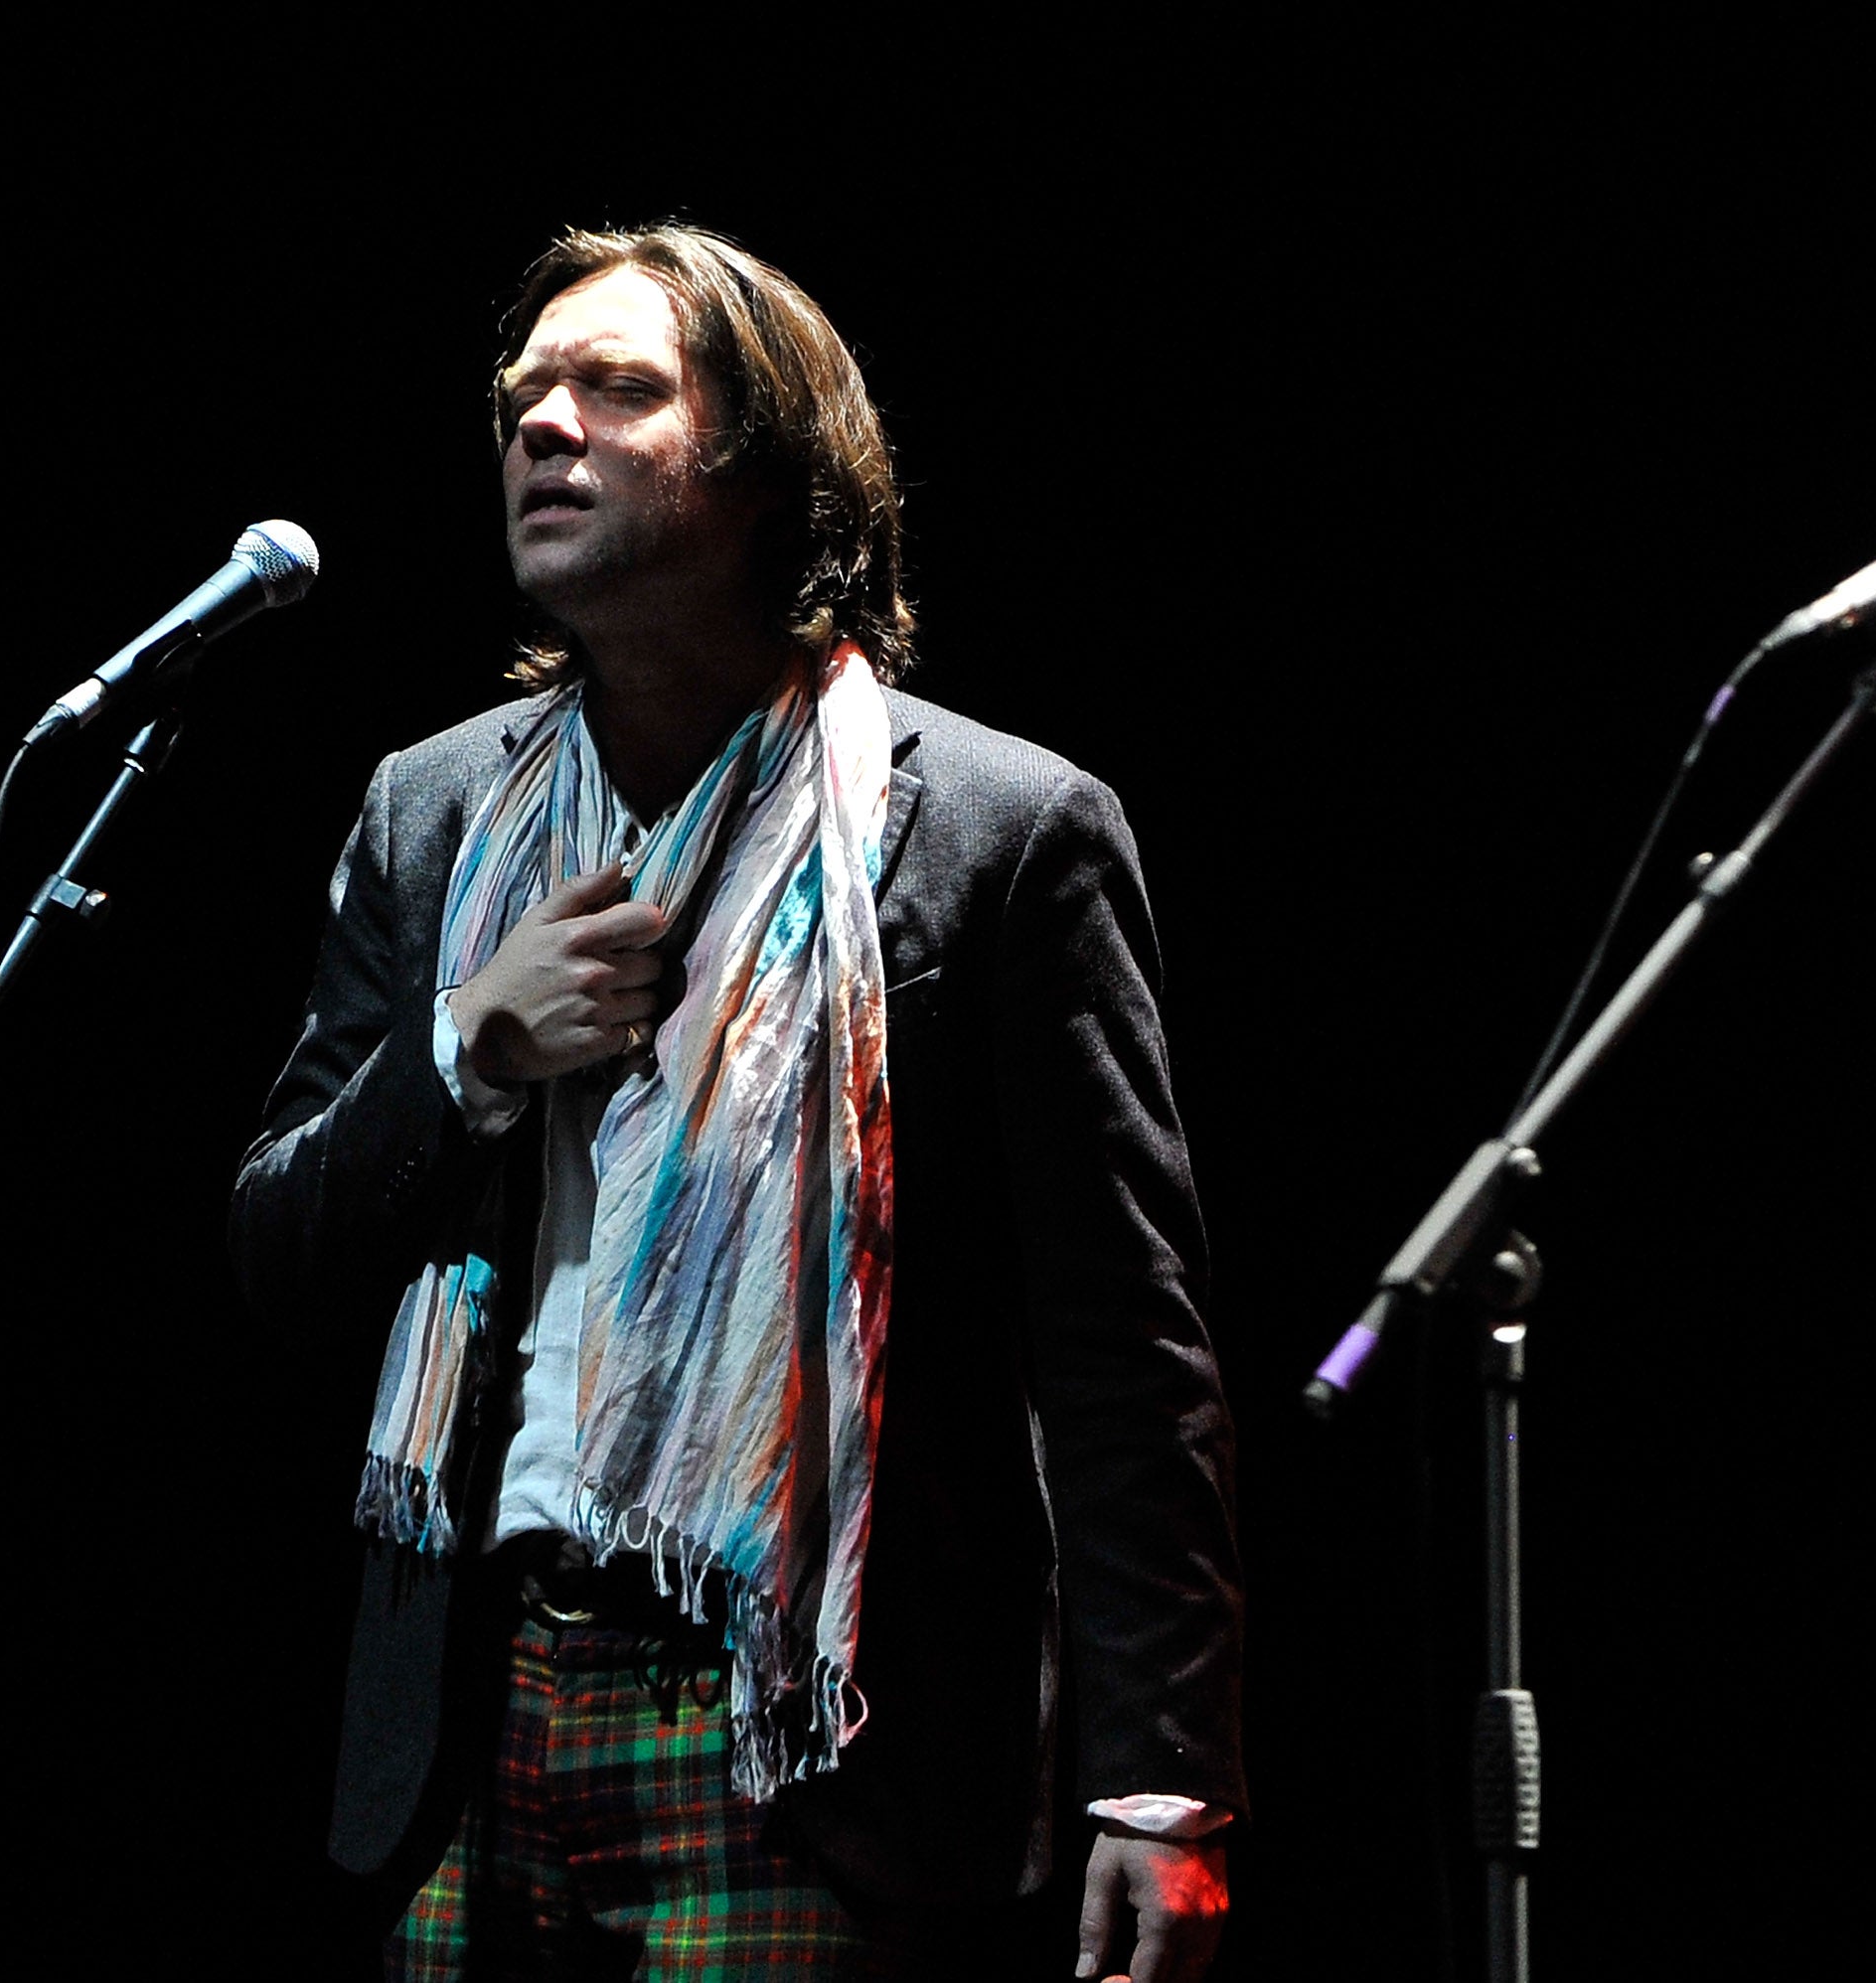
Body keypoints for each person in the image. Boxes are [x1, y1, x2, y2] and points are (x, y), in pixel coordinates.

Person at [233, 224, 1244, 1979]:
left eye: (619, 389)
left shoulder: (1004, 833)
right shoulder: (433, 812)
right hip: (474, 1715)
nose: (546, 425)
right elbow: (277, 1251)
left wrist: (1157, 1788)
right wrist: (466, 1049)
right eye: (523, 394)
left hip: (798, 1733)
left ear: (774, 474)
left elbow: (1122, 1354)